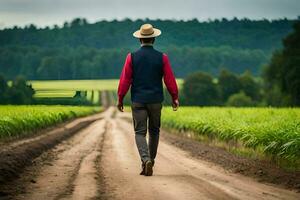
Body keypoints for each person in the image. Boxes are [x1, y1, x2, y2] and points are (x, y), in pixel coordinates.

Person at [117, 23, 179, 176]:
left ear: (140, 40)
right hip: (156, 100)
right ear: (154, 39)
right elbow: (169, 79)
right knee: (154, 132)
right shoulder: (162, 57)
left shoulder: (131, 57)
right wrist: (174, 97)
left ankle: (145, 160)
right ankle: (151, 160)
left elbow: (125, 80)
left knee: (139, 132)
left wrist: (120, 98)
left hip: (138, 100)